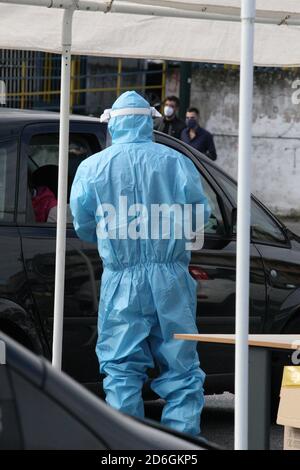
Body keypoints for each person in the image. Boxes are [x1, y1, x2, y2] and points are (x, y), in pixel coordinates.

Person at [70, 91, 210, 436]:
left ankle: (126, 447)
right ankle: (181, 449)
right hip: (171, 280)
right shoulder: (176, 161)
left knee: (121, 370)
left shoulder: (93, 167)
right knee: (181, 371)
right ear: (150, 121)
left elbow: (83, 223)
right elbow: (199, 215)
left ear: (113, 123)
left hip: (122, 280)